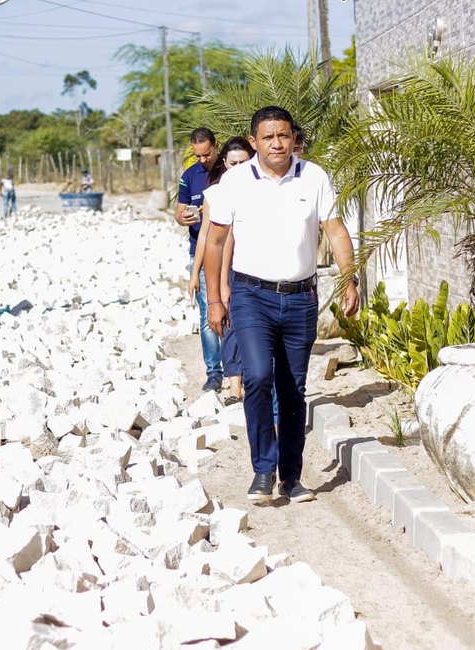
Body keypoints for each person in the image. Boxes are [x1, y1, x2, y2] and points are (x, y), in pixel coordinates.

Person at [203, 106, 360, 504]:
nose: (277, 143)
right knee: (256, 377)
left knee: (293, 389)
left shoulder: (314, 176)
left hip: (300, 298)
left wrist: (349, 277)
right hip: (250, 296)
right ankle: (262, 470)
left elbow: (335, 229)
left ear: (294, 139)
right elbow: (216, 243)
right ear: (254, 142)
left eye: (284, 135)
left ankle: (291, 477)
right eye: (268, 137)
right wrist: (216, 300)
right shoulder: (235, 182)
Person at [190, 136, 255, 402]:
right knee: (227, 325)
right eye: (233, 163)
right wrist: (197, 273)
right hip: (226, 268)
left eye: (244, 162)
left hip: (255, 268)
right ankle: (234, 386)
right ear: (224, 163)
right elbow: (207, 237)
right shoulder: (216, 194)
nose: (238, 168)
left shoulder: (264, 191)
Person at [175, 127, 222, 392]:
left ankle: (238, 369)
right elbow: (179, 211)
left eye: (206, 154)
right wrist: (184, 218)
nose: (202, 160)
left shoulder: (228, 172)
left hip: (230, 251)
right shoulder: (189, 176)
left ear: (216, 146)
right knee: (206, 313)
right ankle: (214, 372)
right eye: (197, 156)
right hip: (199, 252)